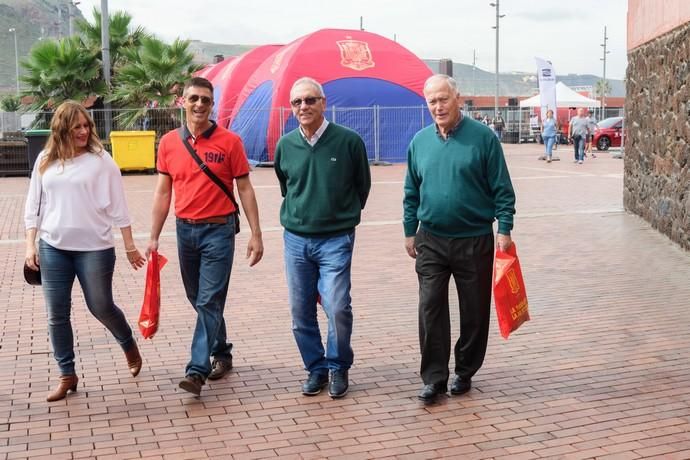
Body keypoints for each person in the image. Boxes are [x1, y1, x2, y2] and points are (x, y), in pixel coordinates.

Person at [147, 77, 264, 396]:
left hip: (219, 231)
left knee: (209, 299)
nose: (200, 105)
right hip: (185, 230)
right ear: (183, 102)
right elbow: (162, 192)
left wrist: (256, 234)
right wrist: (154, 236)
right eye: (194, 98)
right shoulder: (169, 143)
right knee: (198, 298)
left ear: (212, 105)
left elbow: (245, 188)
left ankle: (197, 369)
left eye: (206, 100)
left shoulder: (230, 142)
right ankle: (222, 351)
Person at [403, 74, 516, 403]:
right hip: (431, 240)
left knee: (474, 312)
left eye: (443, 99)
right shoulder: (419, 142)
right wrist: (410, 230)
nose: (438, 106)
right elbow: (411, 191)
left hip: (474, 239)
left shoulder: (483, 139)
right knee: (430, 308)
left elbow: (502, 189)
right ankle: (434, 378)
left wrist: (505, 229)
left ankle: (464, 370)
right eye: (432, 101)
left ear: (458, 98)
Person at [24, 101, 147, 402]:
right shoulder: (45, 160)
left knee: (101, 305)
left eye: (86, 125)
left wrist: (130, 246)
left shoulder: (101, 160)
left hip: (95, 248)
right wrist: (30, 244)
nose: (83, 131)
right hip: (53, 247)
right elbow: (34, 206)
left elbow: (119, 207)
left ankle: (128, 342)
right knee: (57, 314)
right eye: (76, 126)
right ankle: (67, 375)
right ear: (62, 128)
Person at [274, 77, 371, 399]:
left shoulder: (349, 141)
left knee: (337, 306)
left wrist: (342, 215)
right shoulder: (285, 145)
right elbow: (287, 187)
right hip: (296, 240)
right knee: (300, 311)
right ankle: (316, 368)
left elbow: (362, 186)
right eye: (297, 102)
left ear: (323, 102)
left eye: (310, 100)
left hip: (336, 239)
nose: (304, 107)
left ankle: (338, 365)